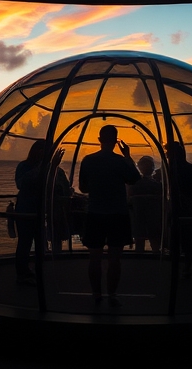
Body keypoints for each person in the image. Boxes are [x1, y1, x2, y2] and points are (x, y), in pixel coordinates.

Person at [78, 124, 140, 306]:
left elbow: (83, 188)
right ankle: (112, 294)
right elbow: (135, 179)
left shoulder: (88, 160)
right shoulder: (120, 161)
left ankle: (97, 294)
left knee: (94, 258)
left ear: (99, 140)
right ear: (116, 141)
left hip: (95, 213)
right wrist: (127, 156)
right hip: (118, 214)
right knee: (115, 259)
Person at [14, 140, 63, 284]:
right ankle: (22, 274)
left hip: (39, 211)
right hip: (25, 211)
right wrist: (46, 165)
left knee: (40, 243)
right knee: (25, 243)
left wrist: (53, 166)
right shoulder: (24, 166)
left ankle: (36, 271)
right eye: (42, 150)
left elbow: (51, 185)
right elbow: (21, 183)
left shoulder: (46, 167)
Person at [163, 142, 192, 278]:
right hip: (188, 207)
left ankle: (175, 268)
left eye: (167, 152)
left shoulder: (169, 170)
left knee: (174, 237)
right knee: (188, 238)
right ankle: (187, 267)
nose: (166, 154)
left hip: (174, 207)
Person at [128, 155, 162, 253]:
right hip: (153, 217)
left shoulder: (134, 184)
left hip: (138, 217)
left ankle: (139, 262)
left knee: (140, 240)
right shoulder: (157, 184)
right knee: (155, 241)